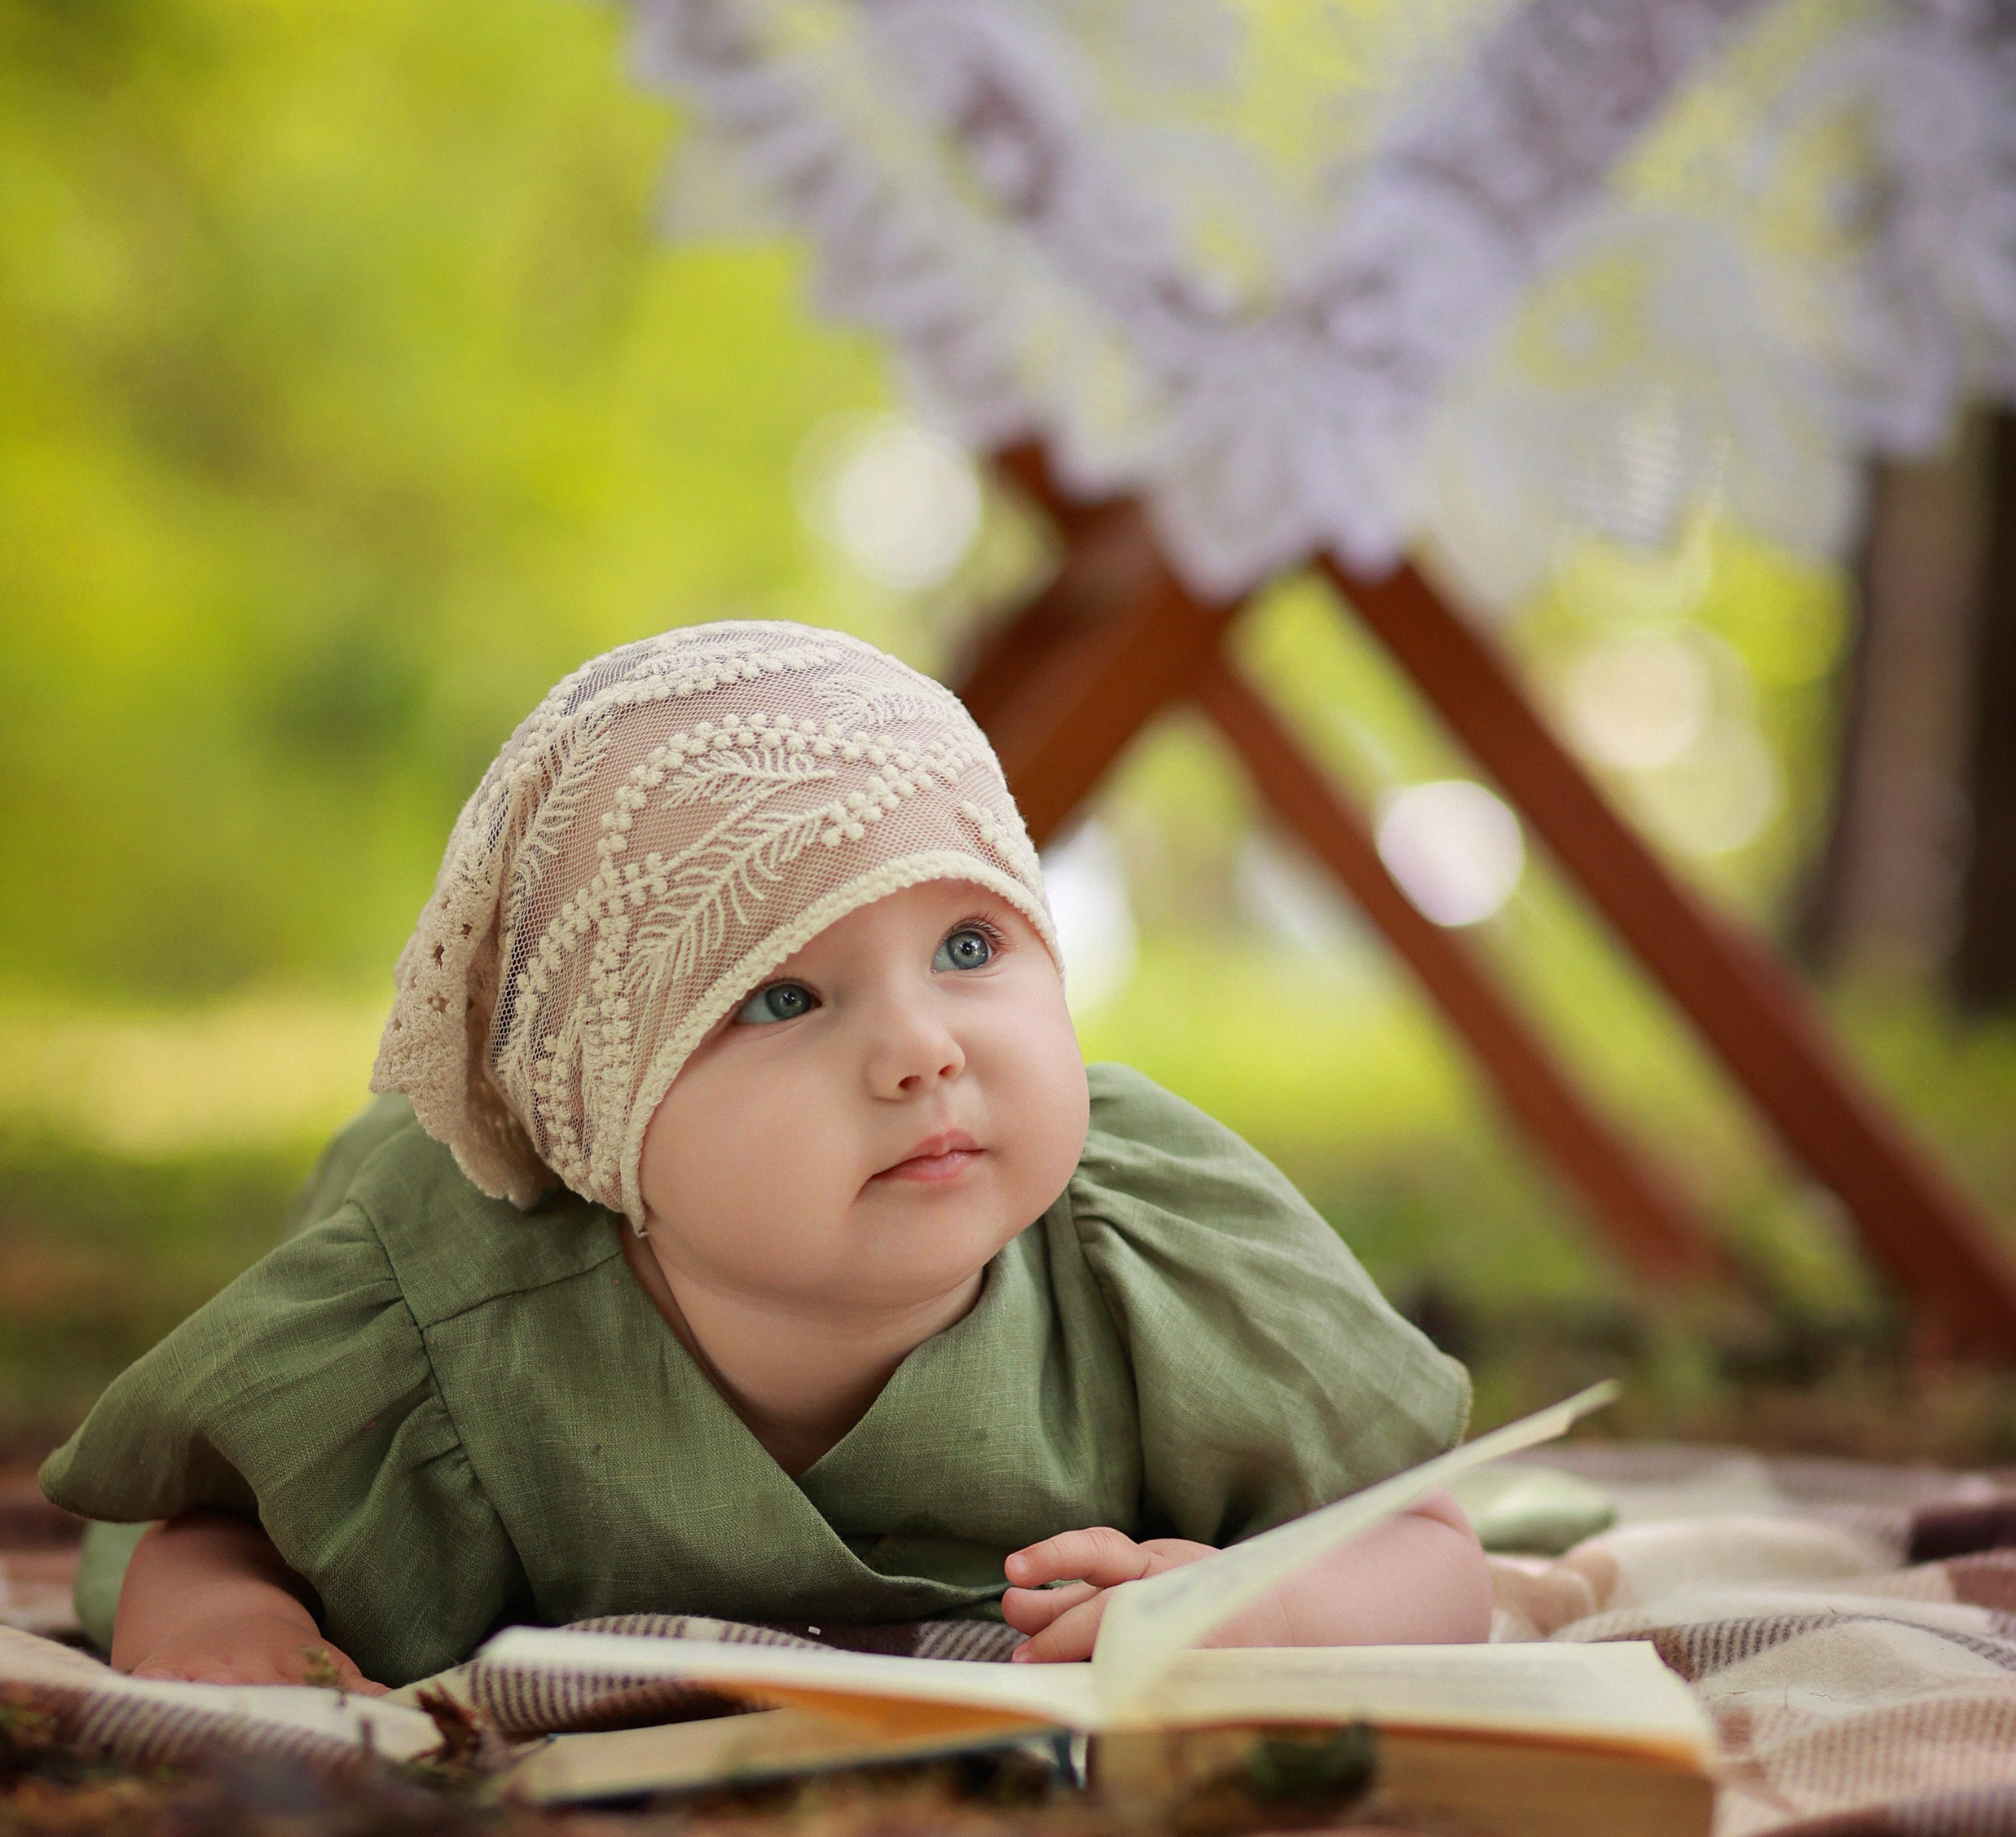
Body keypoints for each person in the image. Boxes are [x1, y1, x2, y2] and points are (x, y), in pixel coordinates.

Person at [41, 625, 1486, 1694]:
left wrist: (1267, 1613)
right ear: (604, 1116)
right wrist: (221, 1623)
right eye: (783, 997)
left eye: (971, 946)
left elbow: (1433, 1545)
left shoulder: (1147, 1251)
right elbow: (209, 1527)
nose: (923, 1049)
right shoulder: (443, 1327)